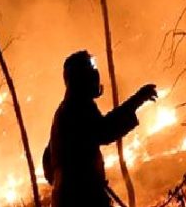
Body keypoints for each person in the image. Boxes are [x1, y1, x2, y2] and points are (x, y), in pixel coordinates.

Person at [43, 50, 158, 207]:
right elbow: (104, 130)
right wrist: (137, 100)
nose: (95, 73)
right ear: (81, 77)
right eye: (91, 68)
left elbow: (48, 158)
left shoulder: (66, 110)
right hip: (81, 199)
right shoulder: (77, 107)